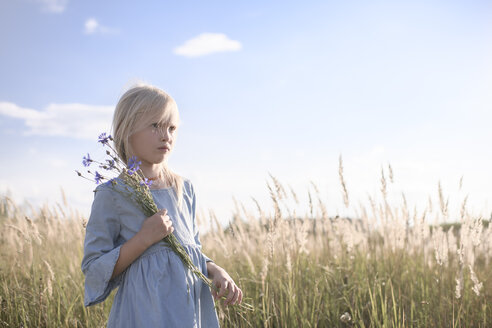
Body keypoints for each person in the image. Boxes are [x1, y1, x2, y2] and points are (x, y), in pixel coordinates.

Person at [81, 84, 242, 327]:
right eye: (155, 125)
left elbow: (191, 249)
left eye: (172, 127)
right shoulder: (111, 194)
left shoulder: (183, 189)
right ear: (127, 129)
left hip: (188, 313)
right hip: (144, 315)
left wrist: (215, 270)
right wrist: (143, 239)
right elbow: (94, 269)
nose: (166, 135)